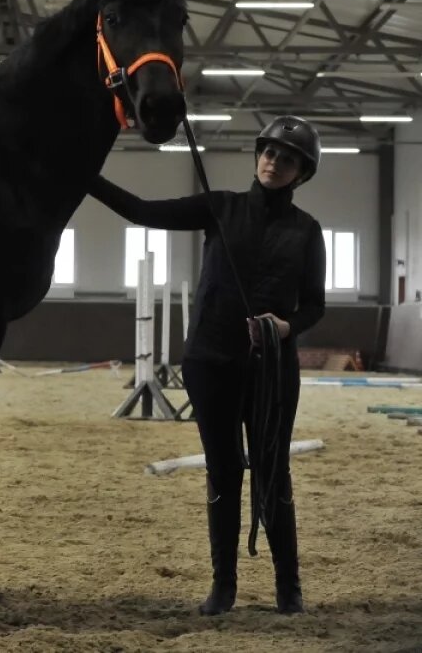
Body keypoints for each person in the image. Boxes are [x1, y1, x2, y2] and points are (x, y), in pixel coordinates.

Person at [88, 116, 326, 616]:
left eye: (287, 159)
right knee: (223, 470)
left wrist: (286, 327)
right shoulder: (220, 207)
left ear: (302, 173)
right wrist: (86, 176)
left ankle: (289, 587)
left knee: (273, 472)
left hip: (272, 369)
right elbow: (141, 210)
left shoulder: (307, 231)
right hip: (211, 362)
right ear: (258, 155)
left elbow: (314, 305)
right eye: (269, 152)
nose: (274, 162)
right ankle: (224, 586)